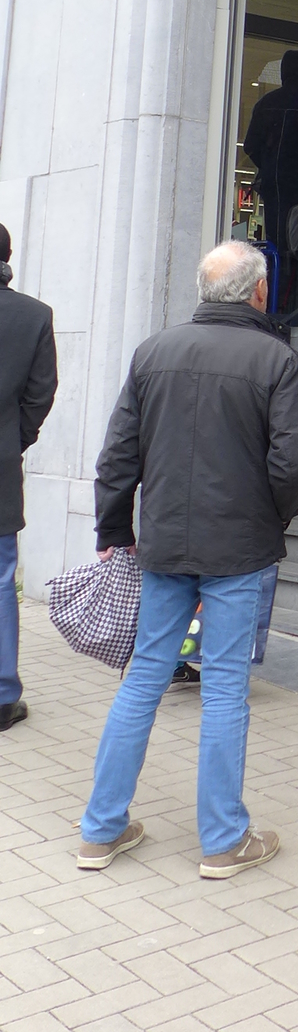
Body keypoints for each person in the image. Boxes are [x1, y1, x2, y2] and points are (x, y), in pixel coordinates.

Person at [80, 242, 298, 879]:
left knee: (144, 679)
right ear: (259, 292)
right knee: (223, 690)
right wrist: (273, 519)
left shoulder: (153, 351)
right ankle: (222, 839)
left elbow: (117, 454)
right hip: (238, 548)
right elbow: (293, 463)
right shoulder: (278, 359)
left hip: (163, 541)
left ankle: (100, 830)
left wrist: (113, 526)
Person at [0, 225, 57, 732]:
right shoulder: (34, 315)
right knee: (0, 580)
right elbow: (41, 394)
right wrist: (13, 441)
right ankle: (1, 695)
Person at [242, 48, 298, 307]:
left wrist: (269, 165)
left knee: (277, 243)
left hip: (275, 184)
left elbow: (250, 145)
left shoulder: (267, 103)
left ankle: (275, 300)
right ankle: (296, 299)